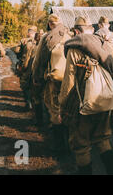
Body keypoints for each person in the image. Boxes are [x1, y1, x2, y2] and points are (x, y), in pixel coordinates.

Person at [59, 16, 113, 174]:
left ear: (76, 31)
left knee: (81, 146)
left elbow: (69, 83)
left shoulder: (74, 49)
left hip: (82, 105)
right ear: (92, 29)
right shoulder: (103, 44)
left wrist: (63, 107)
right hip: (105, 99)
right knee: (102, 139)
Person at [32, 14, 71, 153]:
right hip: (70, 80)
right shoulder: (70, 36)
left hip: (53, 79)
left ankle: (60, 147)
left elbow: (38, 61)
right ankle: (71, 142)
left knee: (55, 110)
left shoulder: (46, 38)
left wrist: (36, 77)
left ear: (49, 24)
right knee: (68, 108)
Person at [14, 25, 38, 110]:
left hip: (25, 65)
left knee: (24, 83)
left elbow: (16, 50)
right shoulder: (39, 41)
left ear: (29, 32)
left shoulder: (23, 40)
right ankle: (34, 102)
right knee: (34, 84)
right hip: (35, 66)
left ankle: (28, 102)